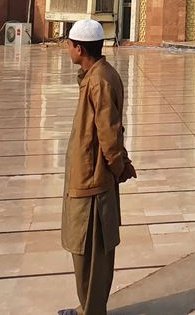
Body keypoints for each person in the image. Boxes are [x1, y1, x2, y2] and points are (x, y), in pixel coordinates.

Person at [59, 19, 136, 315]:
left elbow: (109, 132)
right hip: (88, 175)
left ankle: (90, 312)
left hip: (93, 180)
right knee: (86, 252)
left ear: (79, 47)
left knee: (92, 253)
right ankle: (87, 308)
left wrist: (119, 166)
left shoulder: (99, 80)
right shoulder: (94, 75)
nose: (68, 49)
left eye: (68, 44)